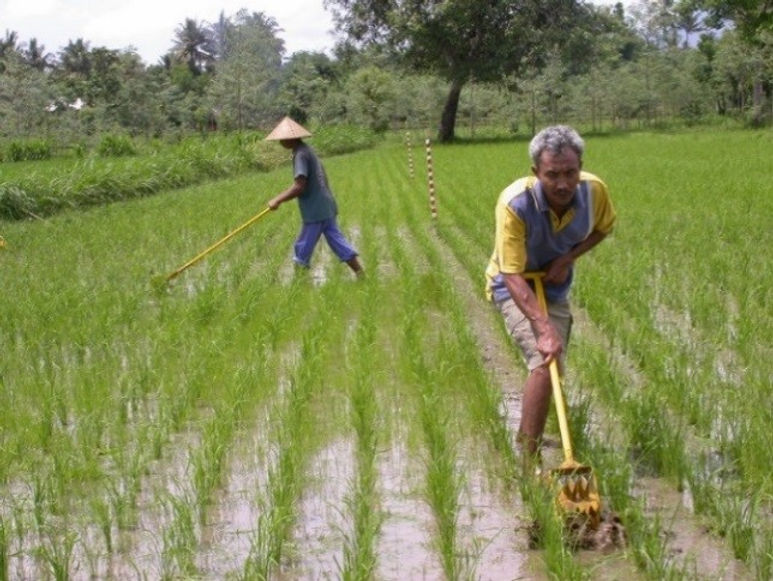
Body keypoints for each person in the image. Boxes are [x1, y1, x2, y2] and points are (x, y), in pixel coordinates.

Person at [485, 125, 616, 465]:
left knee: (552, 362)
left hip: (554, 283)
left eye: (570, 172)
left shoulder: (594, 191)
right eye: (552, 174)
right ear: (536, 173)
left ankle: (538, 441)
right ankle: (527, 458)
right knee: (546, 360)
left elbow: (603, 228)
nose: (562, 183)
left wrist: (568, 257)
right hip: (514, 284)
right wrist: (543, 329)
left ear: (580, 166)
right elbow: (511, 273)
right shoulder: (515, 202)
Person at [265, 116, 363, 277]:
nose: (280, 142)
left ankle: (298, 288)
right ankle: (360, 274)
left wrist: (277, 199)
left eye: (281, 139)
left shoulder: (300, 155)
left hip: (316, 211)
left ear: (290, 139)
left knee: (302, 248)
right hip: (326, 206)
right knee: (339, 243)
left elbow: (299, 186)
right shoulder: (306, 150)